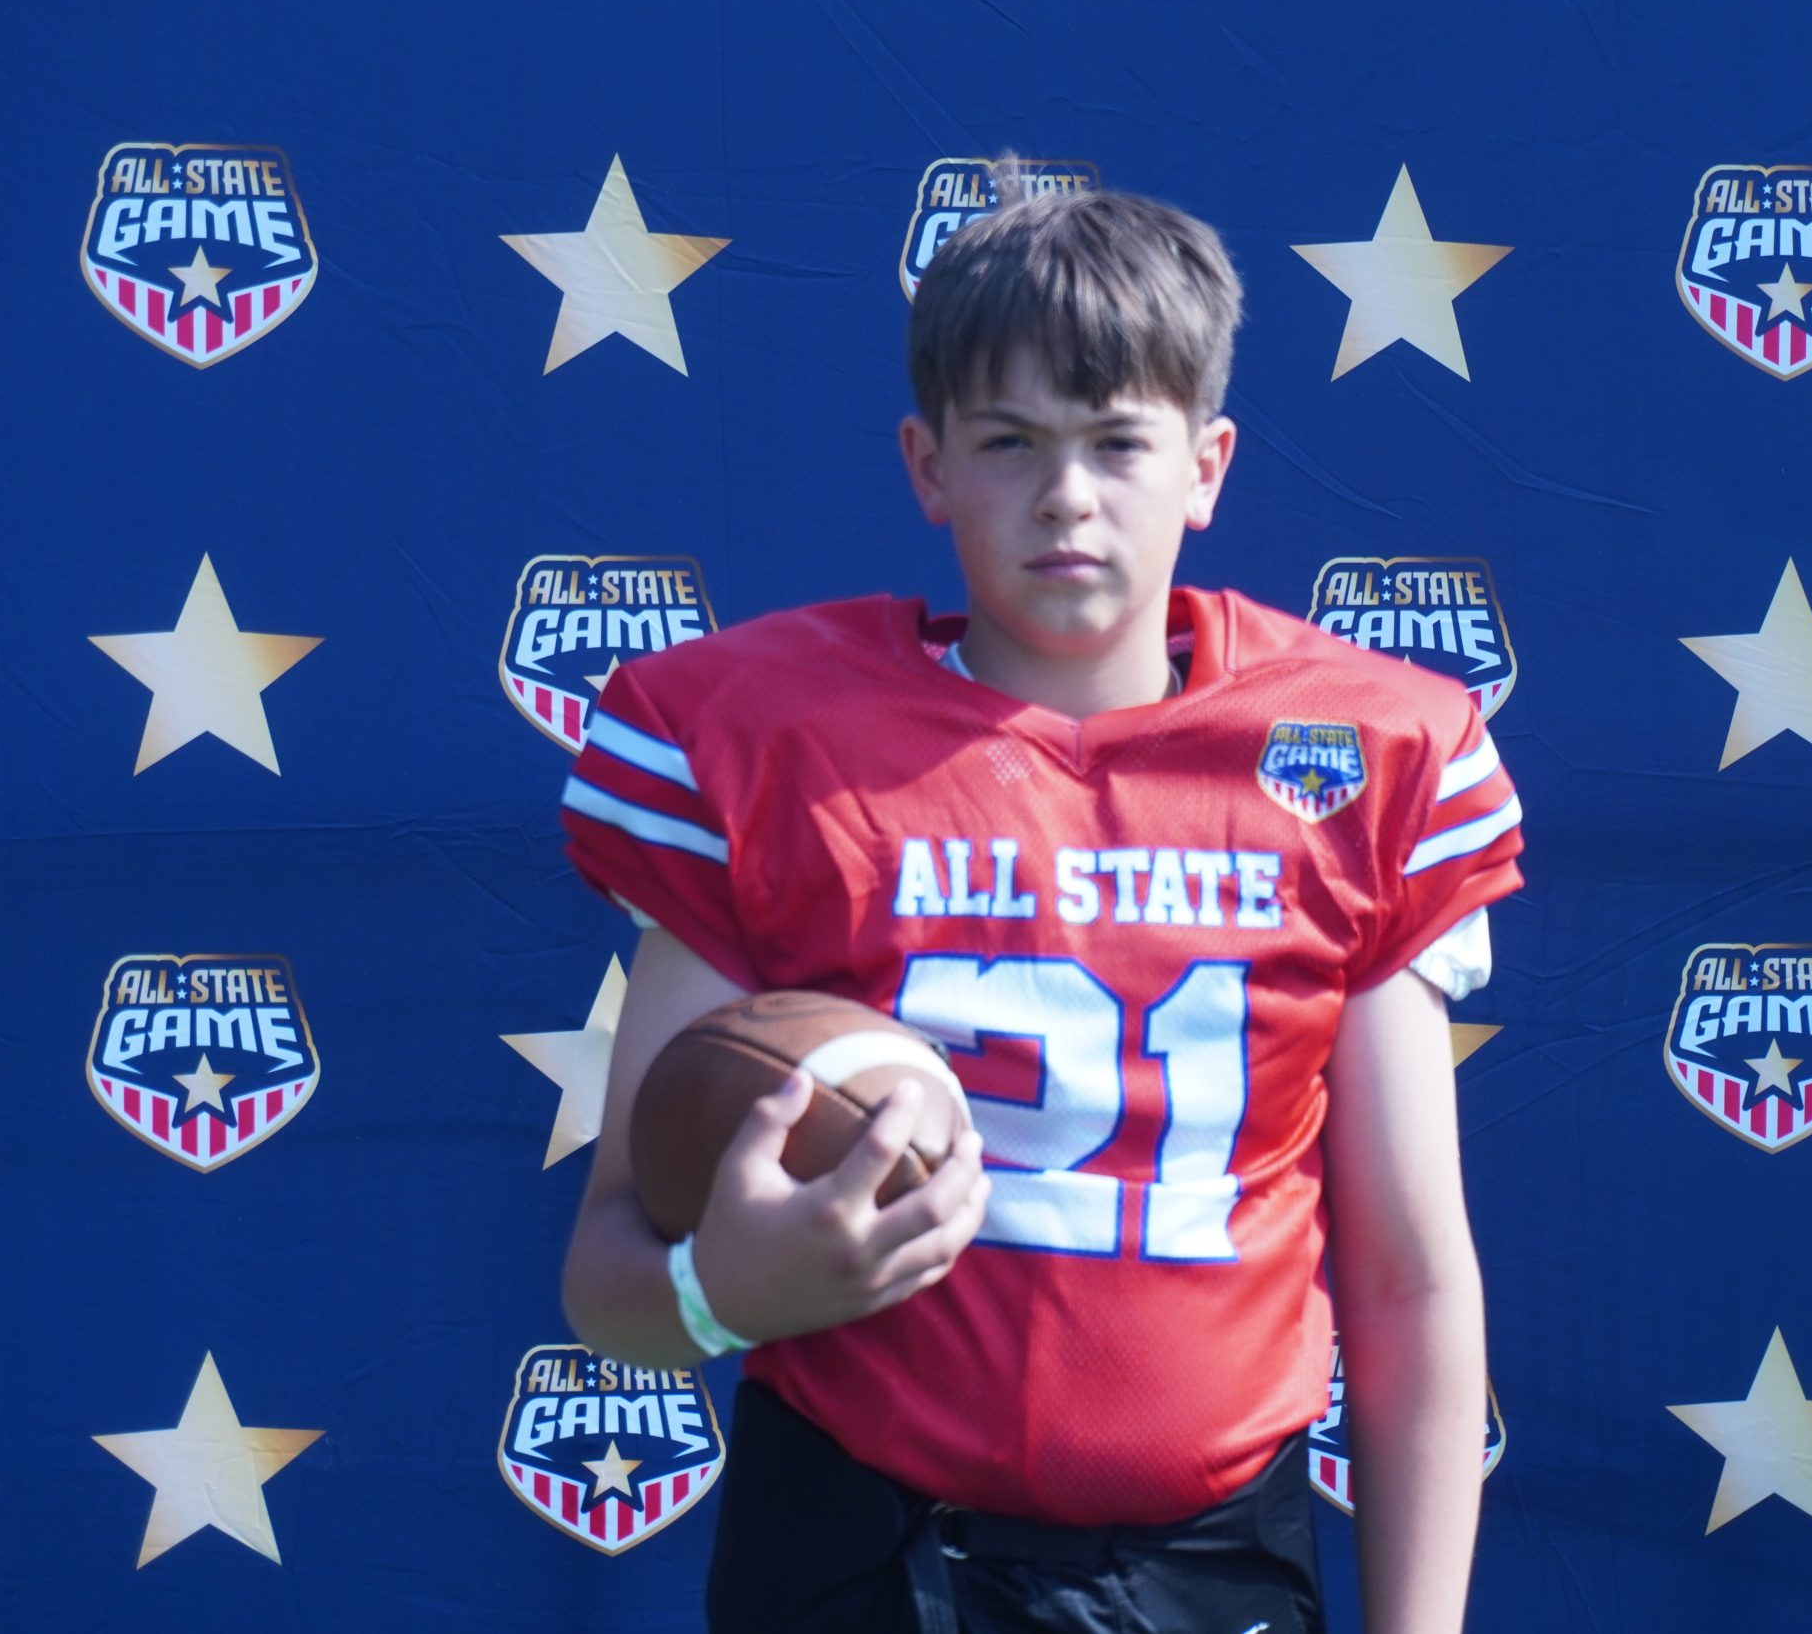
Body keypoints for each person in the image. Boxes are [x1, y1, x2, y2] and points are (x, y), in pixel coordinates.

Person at [557, 167, 1522, 1634]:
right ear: (928, 464)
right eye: (1009, 442)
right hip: (862, 1556)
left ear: (1206, 466)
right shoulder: (768, 745)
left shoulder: (1368, 751)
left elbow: (1407, 1283)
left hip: (1212, 1565)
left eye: (1117, 441)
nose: (1066, 496)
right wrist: (719, 1291)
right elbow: (607, 1273)